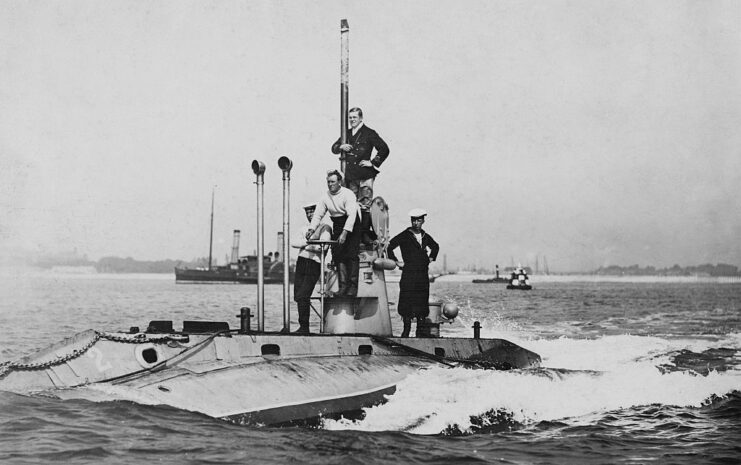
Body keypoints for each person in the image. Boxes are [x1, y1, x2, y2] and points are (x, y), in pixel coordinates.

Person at [306, 170, 362, 296]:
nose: (330, 184)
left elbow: (352, 215)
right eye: (328, 182)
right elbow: (318, 215)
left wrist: (345, 233)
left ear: (339, 182)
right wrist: (311, 229)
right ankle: (343, 287)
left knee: (351, 255)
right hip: (337, 223)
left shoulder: (348, 194)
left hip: (352, 224)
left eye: (332, 182)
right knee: (338, 254)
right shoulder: (325, 197)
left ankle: (353, 288)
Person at [386, 208, 440, 337]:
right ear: (411, 221)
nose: (416, 223)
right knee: (406, 300)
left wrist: (431, 258)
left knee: (421, 299)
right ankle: (406, 330)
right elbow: (389, 246)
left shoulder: (425, 236)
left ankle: (419, 331)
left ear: (423, 221)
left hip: (422, 273)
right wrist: (396, 261)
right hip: (409, 272)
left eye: (419, 220)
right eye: (414, 220)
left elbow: (435, 246)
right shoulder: (405, 235)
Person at [331, 107, 390, 210]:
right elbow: (334, 148)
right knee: (351, 206)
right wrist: (341, 147)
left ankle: (364, 226)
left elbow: (384, 149)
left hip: (365, 176)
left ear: (361, 118)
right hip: (351, 176)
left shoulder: (369, 133)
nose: (352, 120)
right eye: (350, 118)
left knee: (365, 205)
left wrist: (372, 162)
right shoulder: (347, 134)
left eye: (355, 117)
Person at [291, 203, 332, 334]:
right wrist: (308, 243)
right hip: (302, 262)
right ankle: (303, 326)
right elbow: (293, 242)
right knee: (298, 295)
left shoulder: (325, 228)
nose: (310, 215)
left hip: (314, 263)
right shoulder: (304, 228)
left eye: (312, 213)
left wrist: (305, 245)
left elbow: (323, 247)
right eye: (308, 213)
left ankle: (304, 327)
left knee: (303, 294)